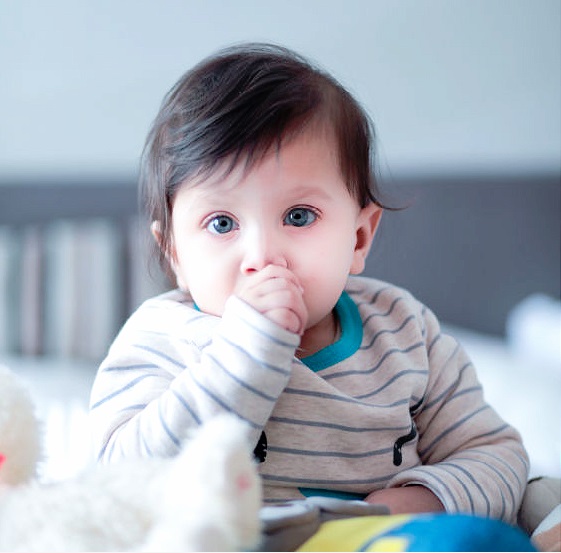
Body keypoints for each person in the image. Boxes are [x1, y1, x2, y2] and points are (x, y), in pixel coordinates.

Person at [89, 43, 528, 523]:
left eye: (299, 216)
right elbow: (118, 484)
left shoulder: (405, 332)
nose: (262, 256)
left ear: (359, 237)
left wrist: (423, 503)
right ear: (175, 254)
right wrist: (244, 357)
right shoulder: (162, 339)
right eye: (221, 223)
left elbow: (496, 454)